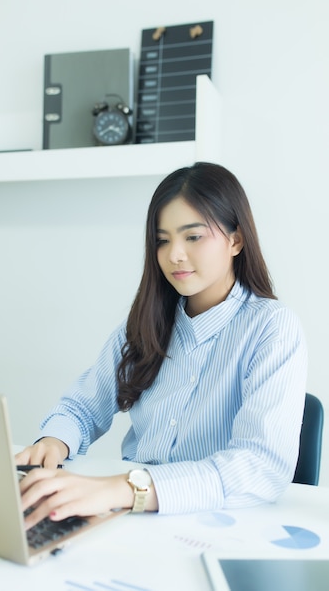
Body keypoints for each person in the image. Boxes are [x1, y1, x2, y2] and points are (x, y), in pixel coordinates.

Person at [17, 162, 307, 530]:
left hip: (216, 522)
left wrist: (128, 488)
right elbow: (83, 406)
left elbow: (260, 466)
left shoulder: (272, 328)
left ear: (236, 239)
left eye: (193, 237)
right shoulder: (144, 323)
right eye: (163, 240)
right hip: (130, 514)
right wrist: (54, 441)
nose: (175, 255)